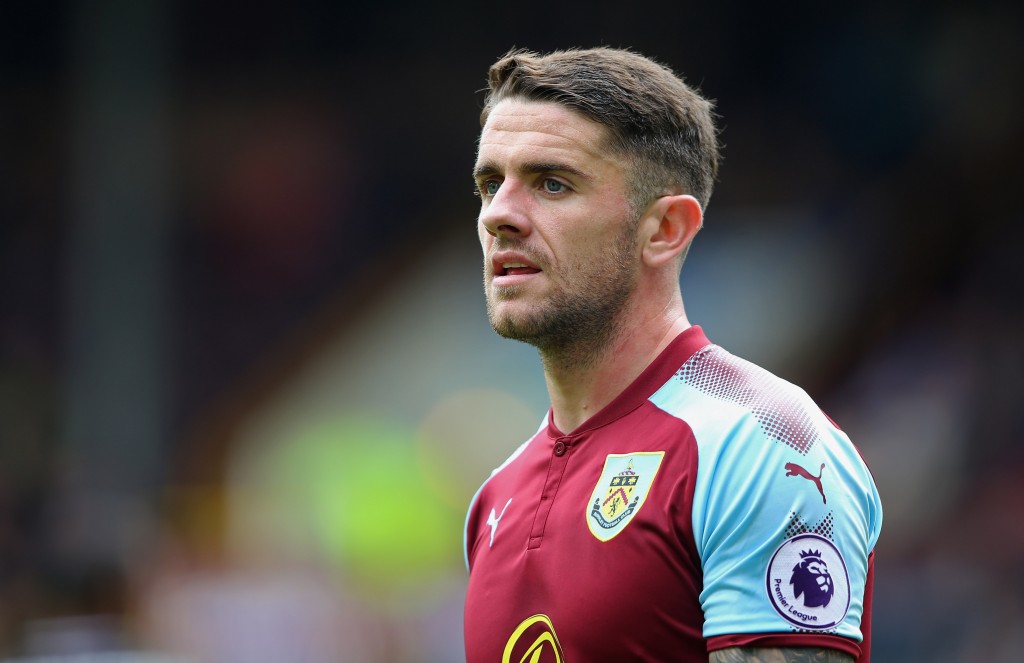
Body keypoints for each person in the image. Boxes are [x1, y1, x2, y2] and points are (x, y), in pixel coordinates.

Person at [462, 46, 883, 662]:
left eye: (552, 183)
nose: (500, 215)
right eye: (490, 184)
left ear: (664, 230)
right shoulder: (495, 499)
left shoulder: (763, 446)